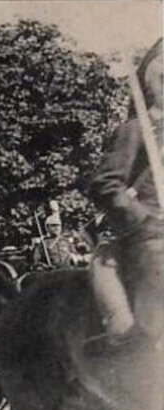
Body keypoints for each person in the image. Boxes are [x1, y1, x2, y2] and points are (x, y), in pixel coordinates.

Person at [88, 38, 163, 350]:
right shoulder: (138, 130)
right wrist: (143, 219)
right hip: (152, 235)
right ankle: (133, 345)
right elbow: (105, 184)